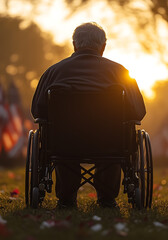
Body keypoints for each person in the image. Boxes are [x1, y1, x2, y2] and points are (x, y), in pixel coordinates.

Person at [31, 22, 146, 208]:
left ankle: (66, 199)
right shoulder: (121, 73)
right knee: (114, 140)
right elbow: (139, 112)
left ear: (74, 45)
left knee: (62, 140)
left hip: (64, 143)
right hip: (110, 143)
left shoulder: (54, 72)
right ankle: (107, 199)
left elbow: (37, 111)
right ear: (103, 47)